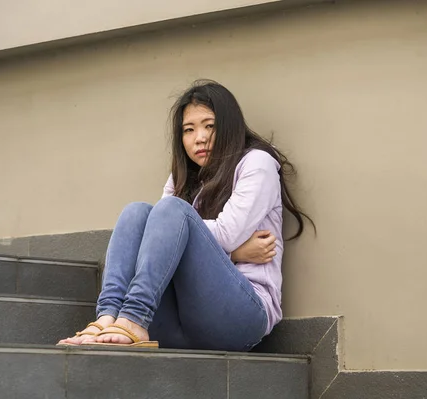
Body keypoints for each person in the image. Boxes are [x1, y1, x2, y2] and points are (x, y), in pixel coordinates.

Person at [57, 80, 312, 351]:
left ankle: (133, 316)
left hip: (241, 318)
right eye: (188, 130)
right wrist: (235, 254)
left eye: (209, 126)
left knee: (170, 211)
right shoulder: (184, 176)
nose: (199, 138)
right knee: (136, 213)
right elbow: (162, 240)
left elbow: (222, 233)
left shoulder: (256, 163)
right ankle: (107, 316)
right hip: (180, 322)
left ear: (229, 125)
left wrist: (220, 247)